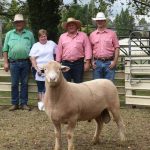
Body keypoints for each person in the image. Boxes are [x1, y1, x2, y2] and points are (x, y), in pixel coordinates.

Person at [2, 14, 35, 111]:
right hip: (13, 63)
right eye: (16, 22)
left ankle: (24, 103)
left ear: (23, 23)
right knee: (14, 84)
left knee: (25, 83)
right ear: (14, 23)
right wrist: (5, 62)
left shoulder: (29, 34)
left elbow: (34, 49)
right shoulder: (9, 34)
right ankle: (15, 103)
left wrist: (33, 63)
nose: (18, 23)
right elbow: (5, 49)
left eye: (20, 22)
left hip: (26, 62)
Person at [56, 17, 92, 83]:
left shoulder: (83, 35)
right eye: (69, 25)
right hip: (65, 63)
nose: (71, 27)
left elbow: (88, 49)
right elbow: (59, 51)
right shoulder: (62, 37)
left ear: (76, 26)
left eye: (72, 25)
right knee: (66, 84)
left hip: (78, 63)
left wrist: (87, 62)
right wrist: (58, 63)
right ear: (66, 27)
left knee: (78, 84)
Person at [29, 29, 57, 110]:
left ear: (46, 36)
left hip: (50, 69)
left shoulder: (51, 43)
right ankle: (41, 103)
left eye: (44, 36)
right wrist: (36, 68)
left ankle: (48, 103)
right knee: (41, 87)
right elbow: (32, 58)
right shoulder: (35, 45)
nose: (43, 38)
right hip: (39, 69)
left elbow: (58, 52)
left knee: (49, 86)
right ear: (38, 37)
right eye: (41, 36)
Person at [90, 12, 120, 81]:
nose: (99, 22)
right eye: (98, 20)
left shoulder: (112, 34)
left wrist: (115, 62)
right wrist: (92, 61)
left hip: (109, 63)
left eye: (101, 20)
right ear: (96, 21)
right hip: (97, 63)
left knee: (109, 86)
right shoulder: (92, 35)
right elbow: (90, 49)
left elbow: (117, 48)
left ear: (105, 21)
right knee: (97, 86)